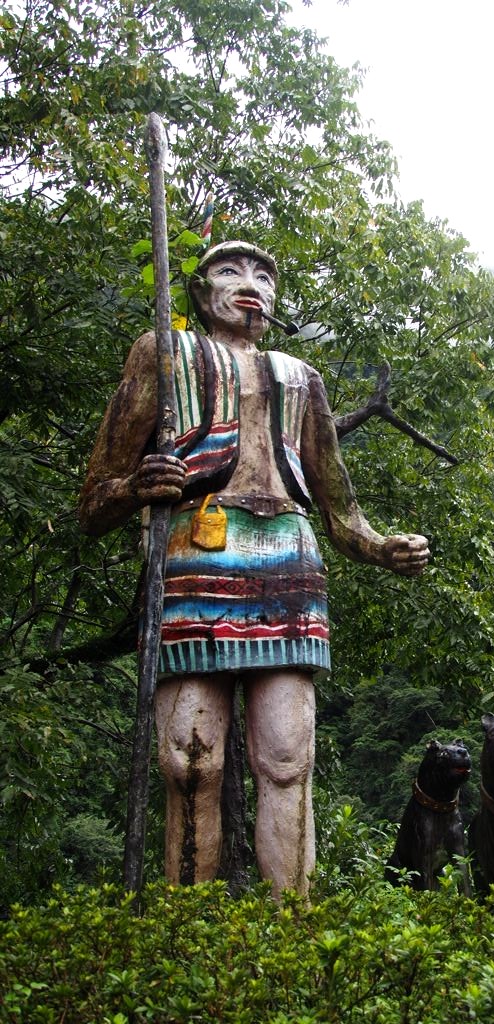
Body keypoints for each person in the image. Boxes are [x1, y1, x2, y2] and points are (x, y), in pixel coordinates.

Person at [79, 241, 430, 897]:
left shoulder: (301, 378)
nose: (250, 283)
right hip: (194, 557)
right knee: (189, 761)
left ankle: (292, 929)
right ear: (199, 290)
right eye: (229, 270)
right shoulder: (164, 353)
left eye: (264, 274)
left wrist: (383, 547)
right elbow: (94, 499)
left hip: (289, 565)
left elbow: (340, 509)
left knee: (289, 759)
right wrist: (135, 486)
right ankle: (186, 928)